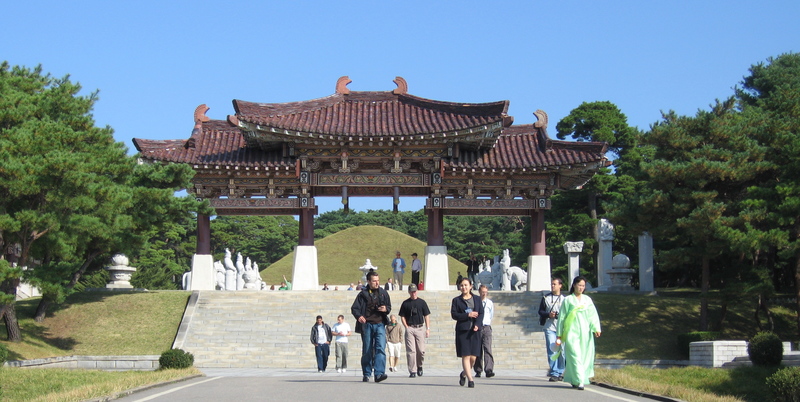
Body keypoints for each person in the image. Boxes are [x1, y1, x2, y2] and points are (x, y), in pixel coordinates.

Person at [557, 276, 601, 391]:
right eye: (579, 285)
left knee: (584, 356)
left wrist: (596, 328)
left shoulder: (587, 300)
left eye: (583, 286)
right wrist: (559, 334)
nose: (581, 288)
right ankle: (580, 380)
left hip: (585, 332)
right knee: (574, 355)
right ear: (574, 285)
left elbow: (592, 315)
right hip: (571, 331)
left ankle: (575, 379)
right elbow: (562, 317)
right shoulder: (568, 300)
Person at [351, 270, 392, 383]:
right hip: (367, 325)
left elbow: (388, 307)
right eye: (374, 281)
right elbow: (355, 308)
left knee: (380, 348)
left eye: (378, 280)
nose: (377, 283)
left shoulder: (383, 293)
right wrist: (359, 316)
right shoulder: (362, 294)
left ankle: (379, 374)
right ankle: (367, 373)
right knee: (367, 350)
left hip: (380, 324)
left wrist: (385, 309)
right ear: (368, 281)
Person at [451, 277, 484, 388]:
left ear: (471, 286)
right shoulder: (456, 300)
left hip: (474, 331)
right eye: (462, 285)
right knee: (466, 355)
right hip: (463, 331)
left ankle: (464, 373)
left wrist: (477, 325)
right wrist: (467, 315)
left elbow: (481, 313)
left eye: (466, 285)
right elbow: (454, 315)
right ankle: (470, 379)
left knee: (473, 358)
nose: (464, 287)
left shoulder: (477, 299)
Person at [399, 284, 431, 378]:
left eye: (415, 291)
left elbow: (426, 315)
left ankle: (419, 366)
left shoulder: (422, 302)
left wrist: (428, 329)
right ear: (409, 292)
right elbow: (402, 316)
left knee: (421, 351)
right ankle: (412, 370)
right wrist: (406, 326)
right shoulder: (405, 303)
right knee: (411, 351)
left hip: (420, 328)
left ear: (417, 291)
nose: (413, 293)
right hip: (410, 328)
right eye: (412, 291)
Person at [538, 277, 565, 382]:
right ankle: (554, 372)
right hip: (550, 327)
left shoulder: (565, 299)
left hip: (562, 328)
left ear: (560, 285)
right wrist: (549, 314)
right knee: (552, 350)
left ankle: (561, 372)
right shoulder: (546, 298)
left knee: (562, 351)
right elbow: (540, 311)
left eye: (555, 284)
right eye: (552, 284)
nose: (553, 286)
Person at [473, 284, 495, 378]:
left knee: (487, 348)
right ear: (479, 292)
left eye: (486, 292)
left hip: (486, 327)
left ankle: (489, 369)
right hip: (478, 327)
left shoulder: (489, 303)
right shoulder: (475, 302)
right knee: (478, 349)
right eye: (482, 292)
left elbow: (491, 314)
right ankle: (478, 370)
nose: (484, 294)